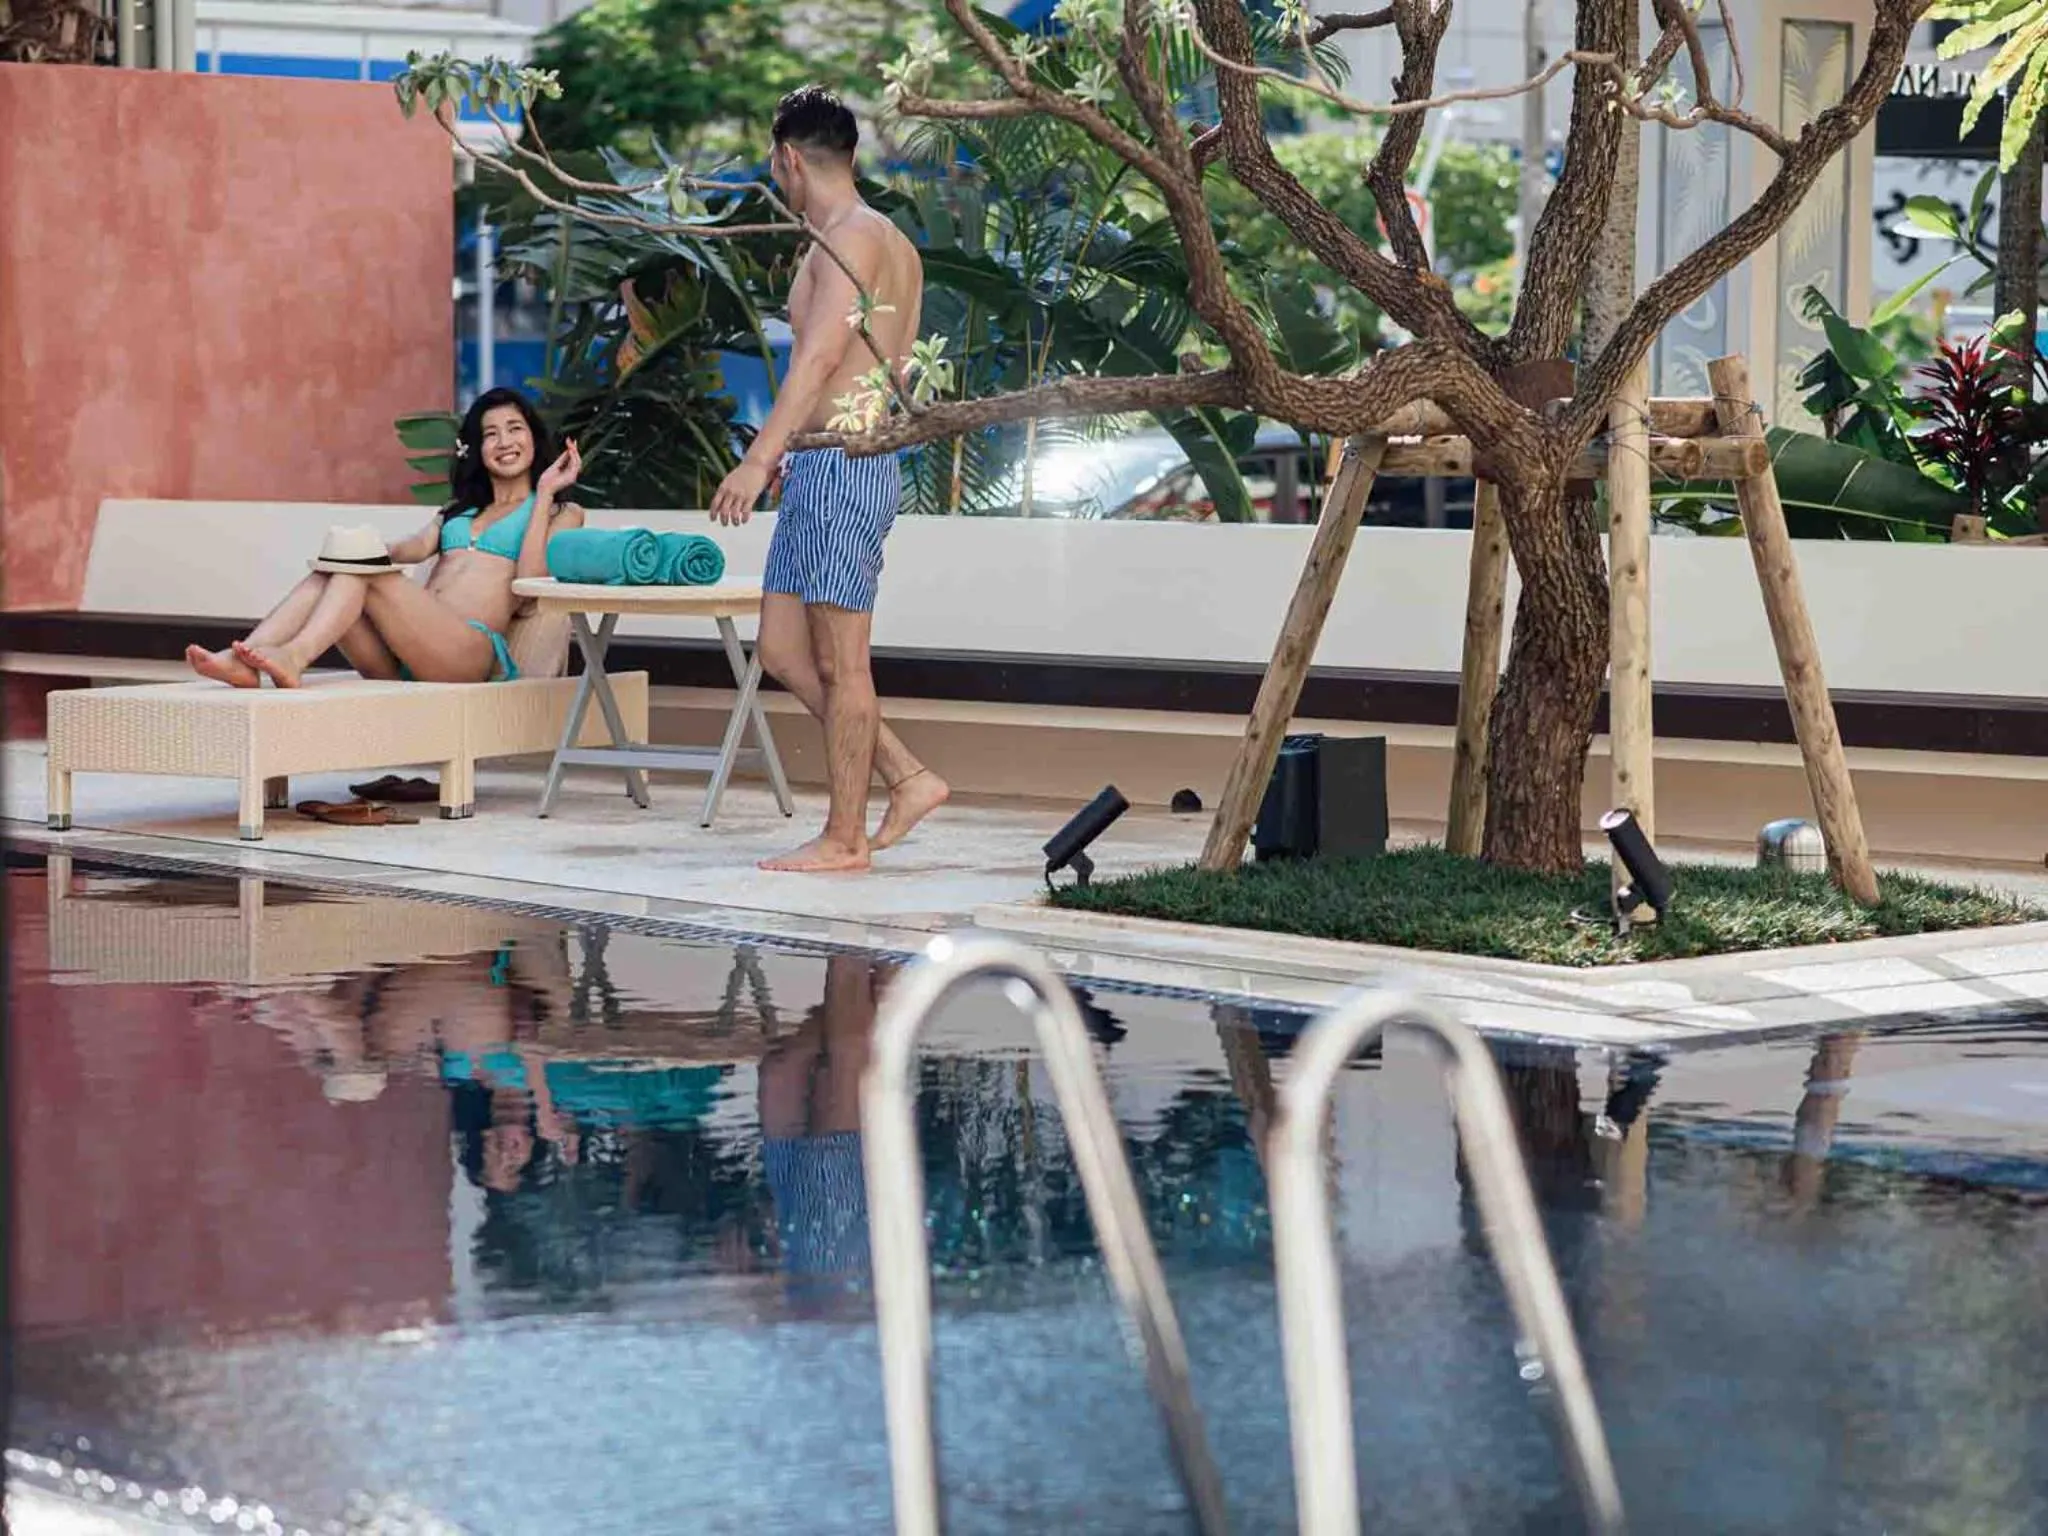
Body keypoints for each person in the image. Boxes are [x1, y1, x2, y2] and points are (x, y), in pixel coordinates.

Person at [710, 85, 949, 873]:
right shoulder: (881, 238)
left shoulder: (854, 237)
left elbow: (817, 358)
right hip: (821, 465)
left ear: (787, 157)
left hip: (846, 465)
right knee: (782, 649)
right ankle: (907, 777)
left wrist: (757, 456)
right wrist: (791, 456)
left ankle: (846, 839)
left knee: (845, 663)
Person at [185, 388, 584, 689]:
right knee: (337, 568)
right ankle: (245, 658)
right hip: (404, 651)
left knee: (364, 572)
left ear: (533, 437)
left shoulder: (558, 512)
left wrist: (546, 491)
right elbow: (414, 547)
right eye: (491, 434)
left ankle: (294, 655)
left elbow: (532, 584)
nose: (505, 442)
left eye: (515, 429)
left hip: (466, 654)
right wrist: (370, 550)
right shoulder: (458, 511)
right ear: (478, 450)